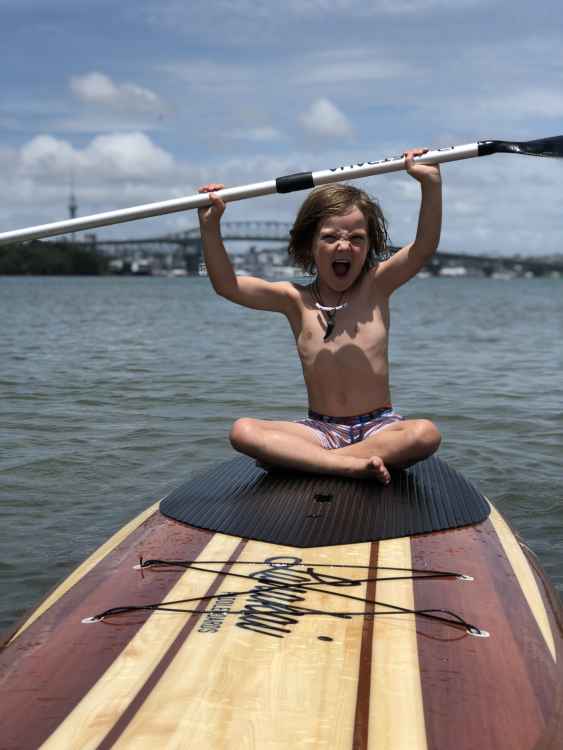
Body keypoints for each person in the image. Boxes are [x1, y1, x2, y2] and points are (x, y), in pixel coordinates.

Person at [198, 148, 442, 484]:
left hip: (379, 427)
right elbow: (227, 285)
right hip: (320, 429)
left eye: (356, 238)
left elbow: (424, 246)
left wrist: (430, 185)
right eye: (329, 237)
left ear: (369, 247)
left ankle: (312, 463)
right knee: (242, 431)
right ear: (309, 245)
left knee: (424, 434)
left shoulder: (377, 285)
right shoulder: (294, 300)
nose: (344, 246)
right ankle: (348, 465)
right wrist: (210, 228)